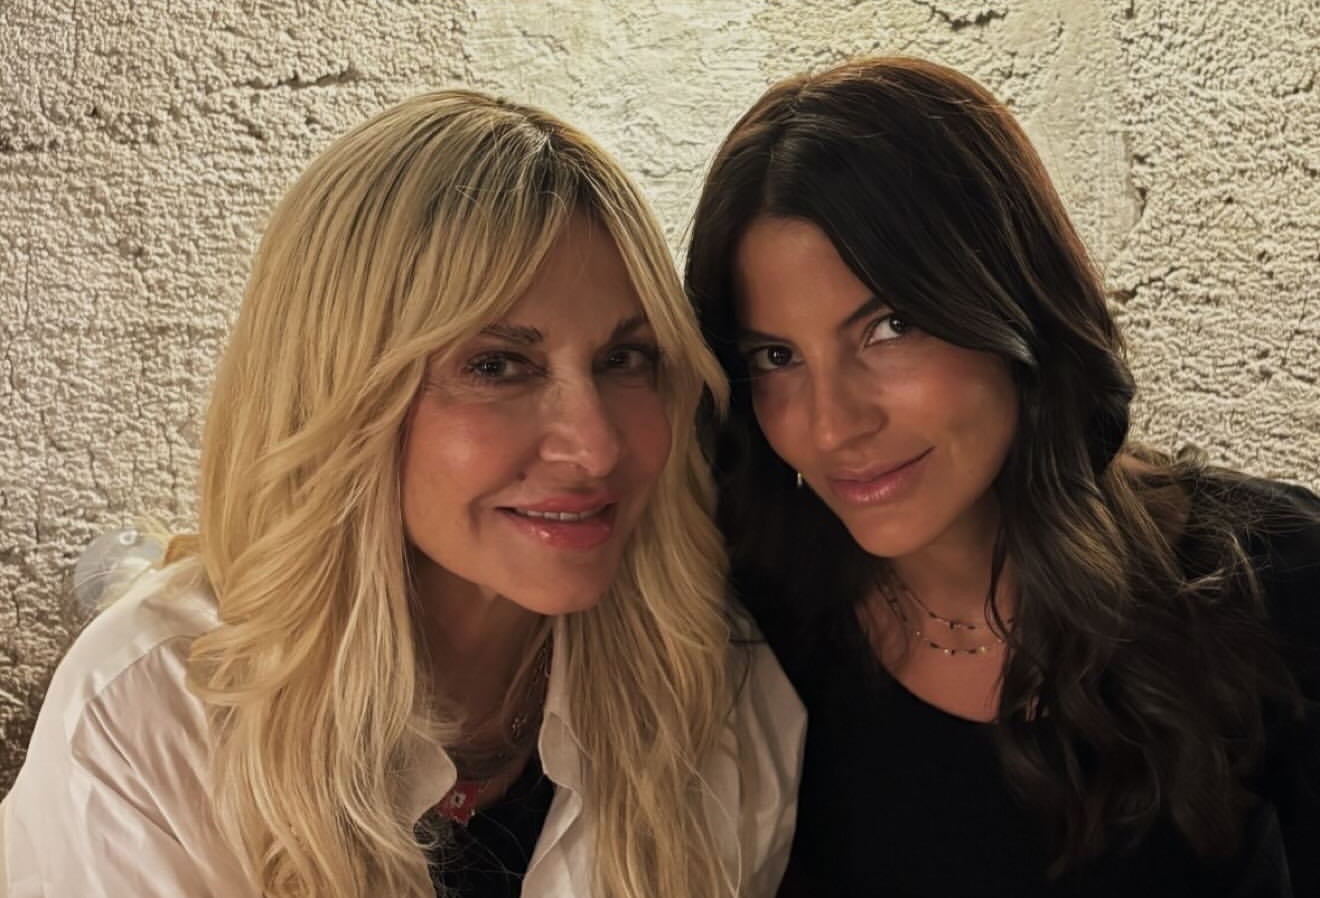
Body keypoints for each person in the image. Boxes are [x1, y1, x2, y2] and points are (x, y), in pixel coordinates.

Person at [1, 89, 804, 898]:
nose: (596, 447)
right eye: (497, 366)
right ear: (338, 395)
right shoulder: (149, 715)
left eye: (624, 359)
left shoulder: (714, 689)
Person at [686, 56, 1319, 897]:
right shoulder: (745, 635)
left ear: (1012, 303)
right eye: (777, 356)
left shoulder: (1272, 579)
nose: (833, 424)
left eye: (891, 326)